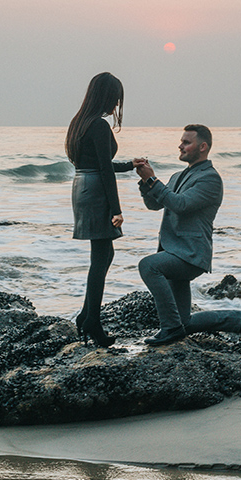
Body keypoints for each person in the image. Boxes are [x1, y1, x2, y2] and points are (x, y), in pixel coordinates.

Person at [137, 125, 241, 347]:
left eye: (186, 142)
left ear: (202, 147)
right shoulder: (177, 176)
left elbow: (181, 205)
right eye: (181, 141)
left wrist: (154, 181)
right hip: (173, 250)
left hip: (190, 254)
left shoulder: (210, 179)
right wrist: (146, 183)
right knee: (184, 323)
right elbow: (154, 204)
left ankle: (169, 329)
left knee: (148, 266)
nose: (180, 146)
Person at [65, 72, 143, 348]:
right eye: (115, 99)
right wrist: (117, 209)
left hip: (82, 187)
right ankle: (91, 321)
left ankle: (87, 315)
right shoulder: (98, 125)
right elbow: (105, 173)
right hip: (96, 190)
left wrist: (130, 165)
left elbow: (98, 164)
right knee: (102, 256)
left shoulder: (79, 122)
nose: (117, 106)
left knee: (102, 254)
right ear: (107, 98)